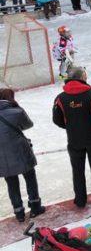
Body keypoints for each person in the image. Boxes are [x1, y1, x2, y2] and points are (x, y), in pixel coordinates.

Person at [52, 67, 91, 208]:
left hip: (74, 140)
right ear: (82, 78)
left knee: (77, 170)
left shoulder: (61, 98)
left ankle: (80, 199)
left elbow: (57, 119)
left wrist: (71, 127)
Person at [1, 88, 45, 222]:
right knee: (30, 177)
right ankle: (35, 206)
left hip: (2, 155)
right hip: (20, 150)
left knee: (11, 182)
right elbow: (28, 124)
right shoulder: (16, 112)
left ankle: (19, 212)